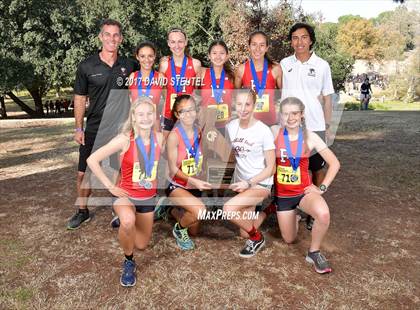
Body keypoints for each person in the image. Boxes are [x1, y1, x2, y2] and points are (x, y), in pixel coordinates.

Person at [67, 18, 137, 230]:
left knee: (118, 173)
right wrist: (79, 128)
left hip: (120, 129)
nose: (111, 38)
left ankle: (119, 210)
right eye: (107, 34)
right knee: (83, 173)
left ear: (121, 39)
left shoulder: (128, 65)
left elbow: (147, 78)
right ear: (101, 37)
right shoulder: (86, 66)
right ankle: (82, 211)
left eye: (116, 35)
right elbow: (80, 98)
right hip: (94, 128)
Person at [87, 97, 163, 287]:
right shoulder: (124, 139)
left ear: (154, 116)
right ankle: (129, 261)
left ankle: (125, 222)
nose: (145, 118)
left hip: (147, 197)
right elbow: (92, 160)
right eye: (140, 114)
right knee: (128, 222)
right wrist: (110, 186)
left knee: (142, 245)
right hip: (126, 195)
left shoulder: (160, 138)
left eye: (149, 114)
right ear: (134, 117)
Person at [271, 97, 340, 273]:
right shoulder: (273, 132)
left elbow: (335, 163)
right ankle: (294, 217)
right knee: (289, 239)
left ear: (302, 115)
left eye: (294, 113)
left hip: (304, 193)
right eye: (286, 113)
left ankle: (314, 252)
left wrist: (321, 188)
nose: (290, 117)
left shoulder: (311, 136)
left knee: (323, 214)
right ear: (281, 116)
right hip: (283, 196)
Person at [280, 22, 335, 229]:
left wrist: (327, 125)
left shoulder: (322, 65)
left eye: (303, 37)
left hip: (315, 125)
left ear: (311, 40)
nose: (299, 41)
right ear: (291, 41)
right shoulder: (285, 64)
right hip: (290, 126)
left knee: (316, 169)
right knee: (291, 166)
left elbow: (328, 98)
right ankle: (291, 207)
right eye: (295, 38)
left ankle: (315, 206)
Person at [223, 89, 276, 258]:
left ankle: (258, 238)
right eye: (239, 104)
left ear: (254, 105)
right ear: (234, 104)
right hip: (242, 183)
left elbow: (271, 168)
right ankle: (269, 210)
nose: (243, 108)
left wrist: (249, 183)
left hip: (260, 183)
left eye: (247, 104)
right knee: (244, 232)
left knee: (229, 209)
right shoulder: (230, 127)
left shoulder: (263, 131)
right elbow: (229, 157)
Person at [162, 94, 212, 250]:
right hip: (177, 184)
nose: (188, 114)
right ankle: (178, 230)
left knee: (194, 231)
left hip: (194, 185)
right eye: (183, 111)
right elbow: (173, 169)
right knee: (200, 211)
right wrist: (194, 180)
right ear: (177, 115)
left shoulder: (199, 131)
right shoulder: (174, 137)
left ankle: (170, 210)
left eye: (191, 110)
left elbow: (201, 157)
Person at [159, 28, 201, 138]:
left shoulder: (196, 64)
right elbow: (163, 89)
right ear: (168, 43)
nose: (177, 46)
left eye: (180, 41)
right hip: (169, 114)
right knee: (164, 148)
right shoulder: (164, 64)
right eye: (173, 42)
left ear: (186, 42)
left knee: (187, 150)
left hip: (188, 115)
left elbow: (197, 90)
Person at [234, 31, 282, 127]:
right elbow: (235, 96)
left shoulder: (276, 68)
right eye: (254, 44)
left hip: (271, 123)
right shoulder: (241, 69)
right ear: (249, 47)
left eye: (262, 45)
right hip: (248, 124)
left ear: (267, 48)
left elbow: (283, 94)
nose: (257, 49)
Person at [199, 40, 235, 135]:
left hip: (227, 126)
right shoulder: (202, 73)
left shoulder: (233, 76)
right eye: (214, 53)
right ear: (209, 56)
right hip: (207, 126)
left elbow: (240, 99)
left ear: (227, 56)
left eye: (222, 53)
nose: (218, 57)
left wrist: (234, 116)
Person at [128, 41, 164, 119]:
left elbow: (166, 103)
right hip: (136, 124)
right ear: (137, 57)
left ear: (154, 56)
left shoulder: (160, 77)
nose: (147, 60)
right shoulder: (132, 77)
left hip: (154, 124)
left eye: (150, 56)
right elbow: (129, 103)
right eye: (142, 56)